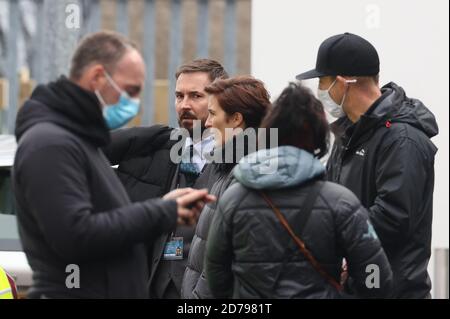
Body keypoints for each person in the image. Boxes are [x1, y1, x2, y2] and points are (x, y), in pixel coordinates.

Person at [12, 31, 214, 299]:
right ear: (97, 78)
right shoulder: (51, 143)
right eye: (130, 91)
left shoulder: (81, 143)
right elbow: (76, 235)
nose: (133, 103)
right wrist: (163, 211)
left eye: (195, 96)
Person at [205, 82, 393, 299]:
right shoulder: (340, 202)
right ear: (319, 137)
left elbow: (216, 272)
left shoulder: (233, 199)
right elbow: (376, 275)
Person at [296, 32, 438, 298]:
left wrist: (334, 241)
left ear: (343, 82)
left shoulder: (402, 138)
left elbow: (393, 217)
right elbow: (329, 201)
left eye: (322, 81)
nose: (320, 91)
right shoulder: (347, 134)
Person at [103, 59, 229, 299]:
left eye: (195, 96)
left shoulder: (235, 162)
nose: (184, 105)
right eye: (179, 96)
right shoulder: (157, 148)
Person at [181, 76, 271, 299]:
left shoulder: (247, 173)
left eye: (213, 114)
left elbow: (224, 260)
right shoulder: (224, 166)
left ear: (236, 119)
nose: (208, 122)